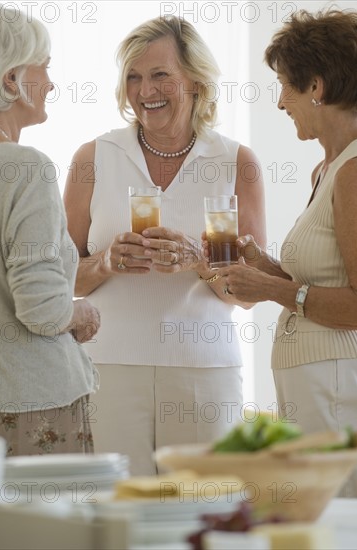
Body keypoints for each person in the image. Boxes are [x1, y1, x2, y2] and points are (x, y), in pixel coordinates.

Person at [64, 16, 266, 475]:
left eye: (159, 75)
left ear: (195, 80)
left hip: (203, 368)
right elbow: (59, 277)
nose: (144, 90)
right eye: (133, 77)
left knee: (204, 514)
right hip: (108, 367)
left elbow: (252, 294)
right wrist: (106, 262)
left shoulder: (235, 161)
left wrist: (200, 260)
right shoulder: (93, 158)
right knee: (118, 516)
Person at [219, 9, 357, 497]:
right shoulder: (326, 171)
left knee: (337, 513)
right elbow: (320, 282)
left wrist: (272, 288)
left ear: (316, 86)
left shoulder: (355, 173)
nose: (281, 101)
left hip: (336, 385)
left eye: (285, 85)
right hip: (314, 384)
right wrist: (263, 266)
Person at [0, 2, 101, 456]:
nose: (52, 83)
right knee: (50, 528)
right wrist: (80, 314)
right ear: (11, 79)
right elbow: (41, 308)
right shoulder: (26, 169)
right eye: (45, 67)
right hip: (30, 406)